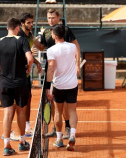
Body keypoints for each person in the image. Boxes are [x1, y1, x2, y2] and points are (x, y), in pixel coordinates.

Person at [0, 18, 34, 156]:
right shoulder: (22, 40)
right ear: (18, 28)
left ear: (7, 28)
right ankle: (22, 142)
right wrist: (28, 69)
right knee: (21, 111)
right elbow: (30, 59)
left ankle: (6, 146)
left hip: (5, 84)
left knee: (7, 113)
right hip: (21, 83)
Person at [33, 8, 81, 139]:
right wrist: (32, 38)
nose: (51, 20)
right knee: (54, 105)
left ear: (58, 18)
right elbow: (42, 47)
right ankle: (56, 129)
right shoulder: (46, 33)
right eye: (48, 18)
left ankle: (66, 128)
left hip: (61, 75)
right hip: (52, 74)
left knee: (64, 105)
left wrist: (77, 65)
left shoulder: (65, 30)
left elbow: (77, 47)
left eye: (53, 17)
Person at [46, 24, 79, 151]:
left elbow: (51, 68)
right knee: (72, 111)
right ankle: (72, 135)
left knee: (58, 112)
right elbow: (75, 59)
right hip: (72, 84)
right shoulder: (72, 47)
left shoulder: (51, 50)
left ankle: (59, 139)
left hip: (58, 85)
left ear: (54, 36)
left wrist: (48, 87)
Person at [18, 12, 42, 137]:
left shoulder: (30, 35)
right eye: (29, 23)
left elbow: (36, 50)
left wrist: (37, 62)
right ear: (22, 24)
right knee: (18, 103)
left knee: (28, 98)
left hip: (26, 74)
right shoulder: (19, 36)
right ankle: (12, 131)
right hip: (19, 74)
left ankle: (27, 126)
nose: (32, 24)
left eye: (32, 22)